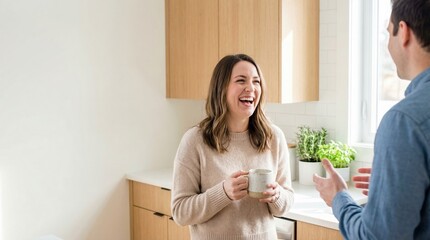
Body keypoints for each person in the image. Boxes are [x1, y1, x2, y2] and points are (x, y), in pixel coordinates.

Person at [313, 0, 430, 239]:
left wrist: (339, 199)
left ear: (404, 32)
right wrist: (393, 186)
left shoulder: (404, 122)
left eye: (389, 33)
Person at [171, 54, 294, 239]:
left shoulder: (273, 137)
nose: (251, 88)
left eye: (256, 81)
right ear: (221, 88)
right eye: (241, 80)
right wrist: (223, 193)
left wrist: (276, 196)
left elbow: (286, 202)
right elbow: (180, 213)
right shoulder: (195, 140)